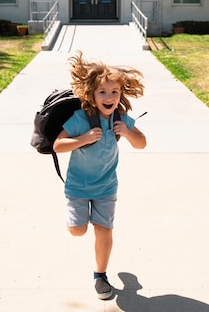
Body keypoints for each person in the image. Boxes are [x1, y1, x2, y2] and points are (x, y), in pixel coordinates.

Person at [53, 51, 147, 300]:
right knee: (77, 230)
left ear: (120, 95)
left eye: (114, 92)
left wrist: (127, 133)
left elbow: (142, 143)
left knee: (104, 230)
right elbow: (58, 145)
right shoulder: (81, 119)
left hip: (106, 187)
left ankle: (100, 276)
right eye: (103, 92)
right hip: (78, 186)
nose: (109, 97)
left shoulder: (121, 119)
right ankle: (80, 219)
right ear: (91, 95)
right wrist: (83, 138)